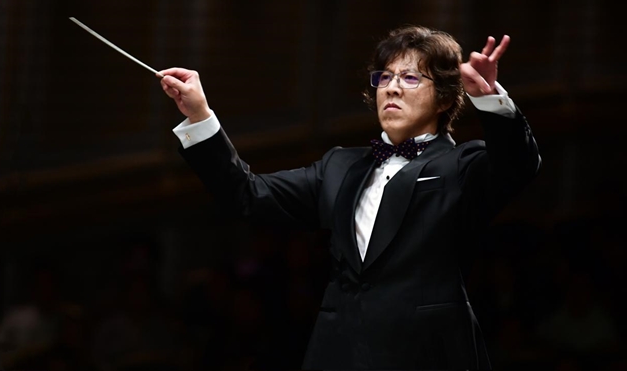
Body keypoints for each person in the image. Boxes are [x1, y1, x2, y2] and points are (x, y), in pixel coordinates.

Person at [157, 24, 541, 370]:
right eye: (385, 77)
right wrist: (200, 116)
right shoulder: (339, 166)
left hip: (426, 351)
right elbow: (248, 194)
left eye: (410, 77)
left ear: (443, 99)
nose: (391, 87)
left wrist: (489, 98)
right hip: (339, 351)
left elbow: (518, 165)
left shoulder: (462, 164)